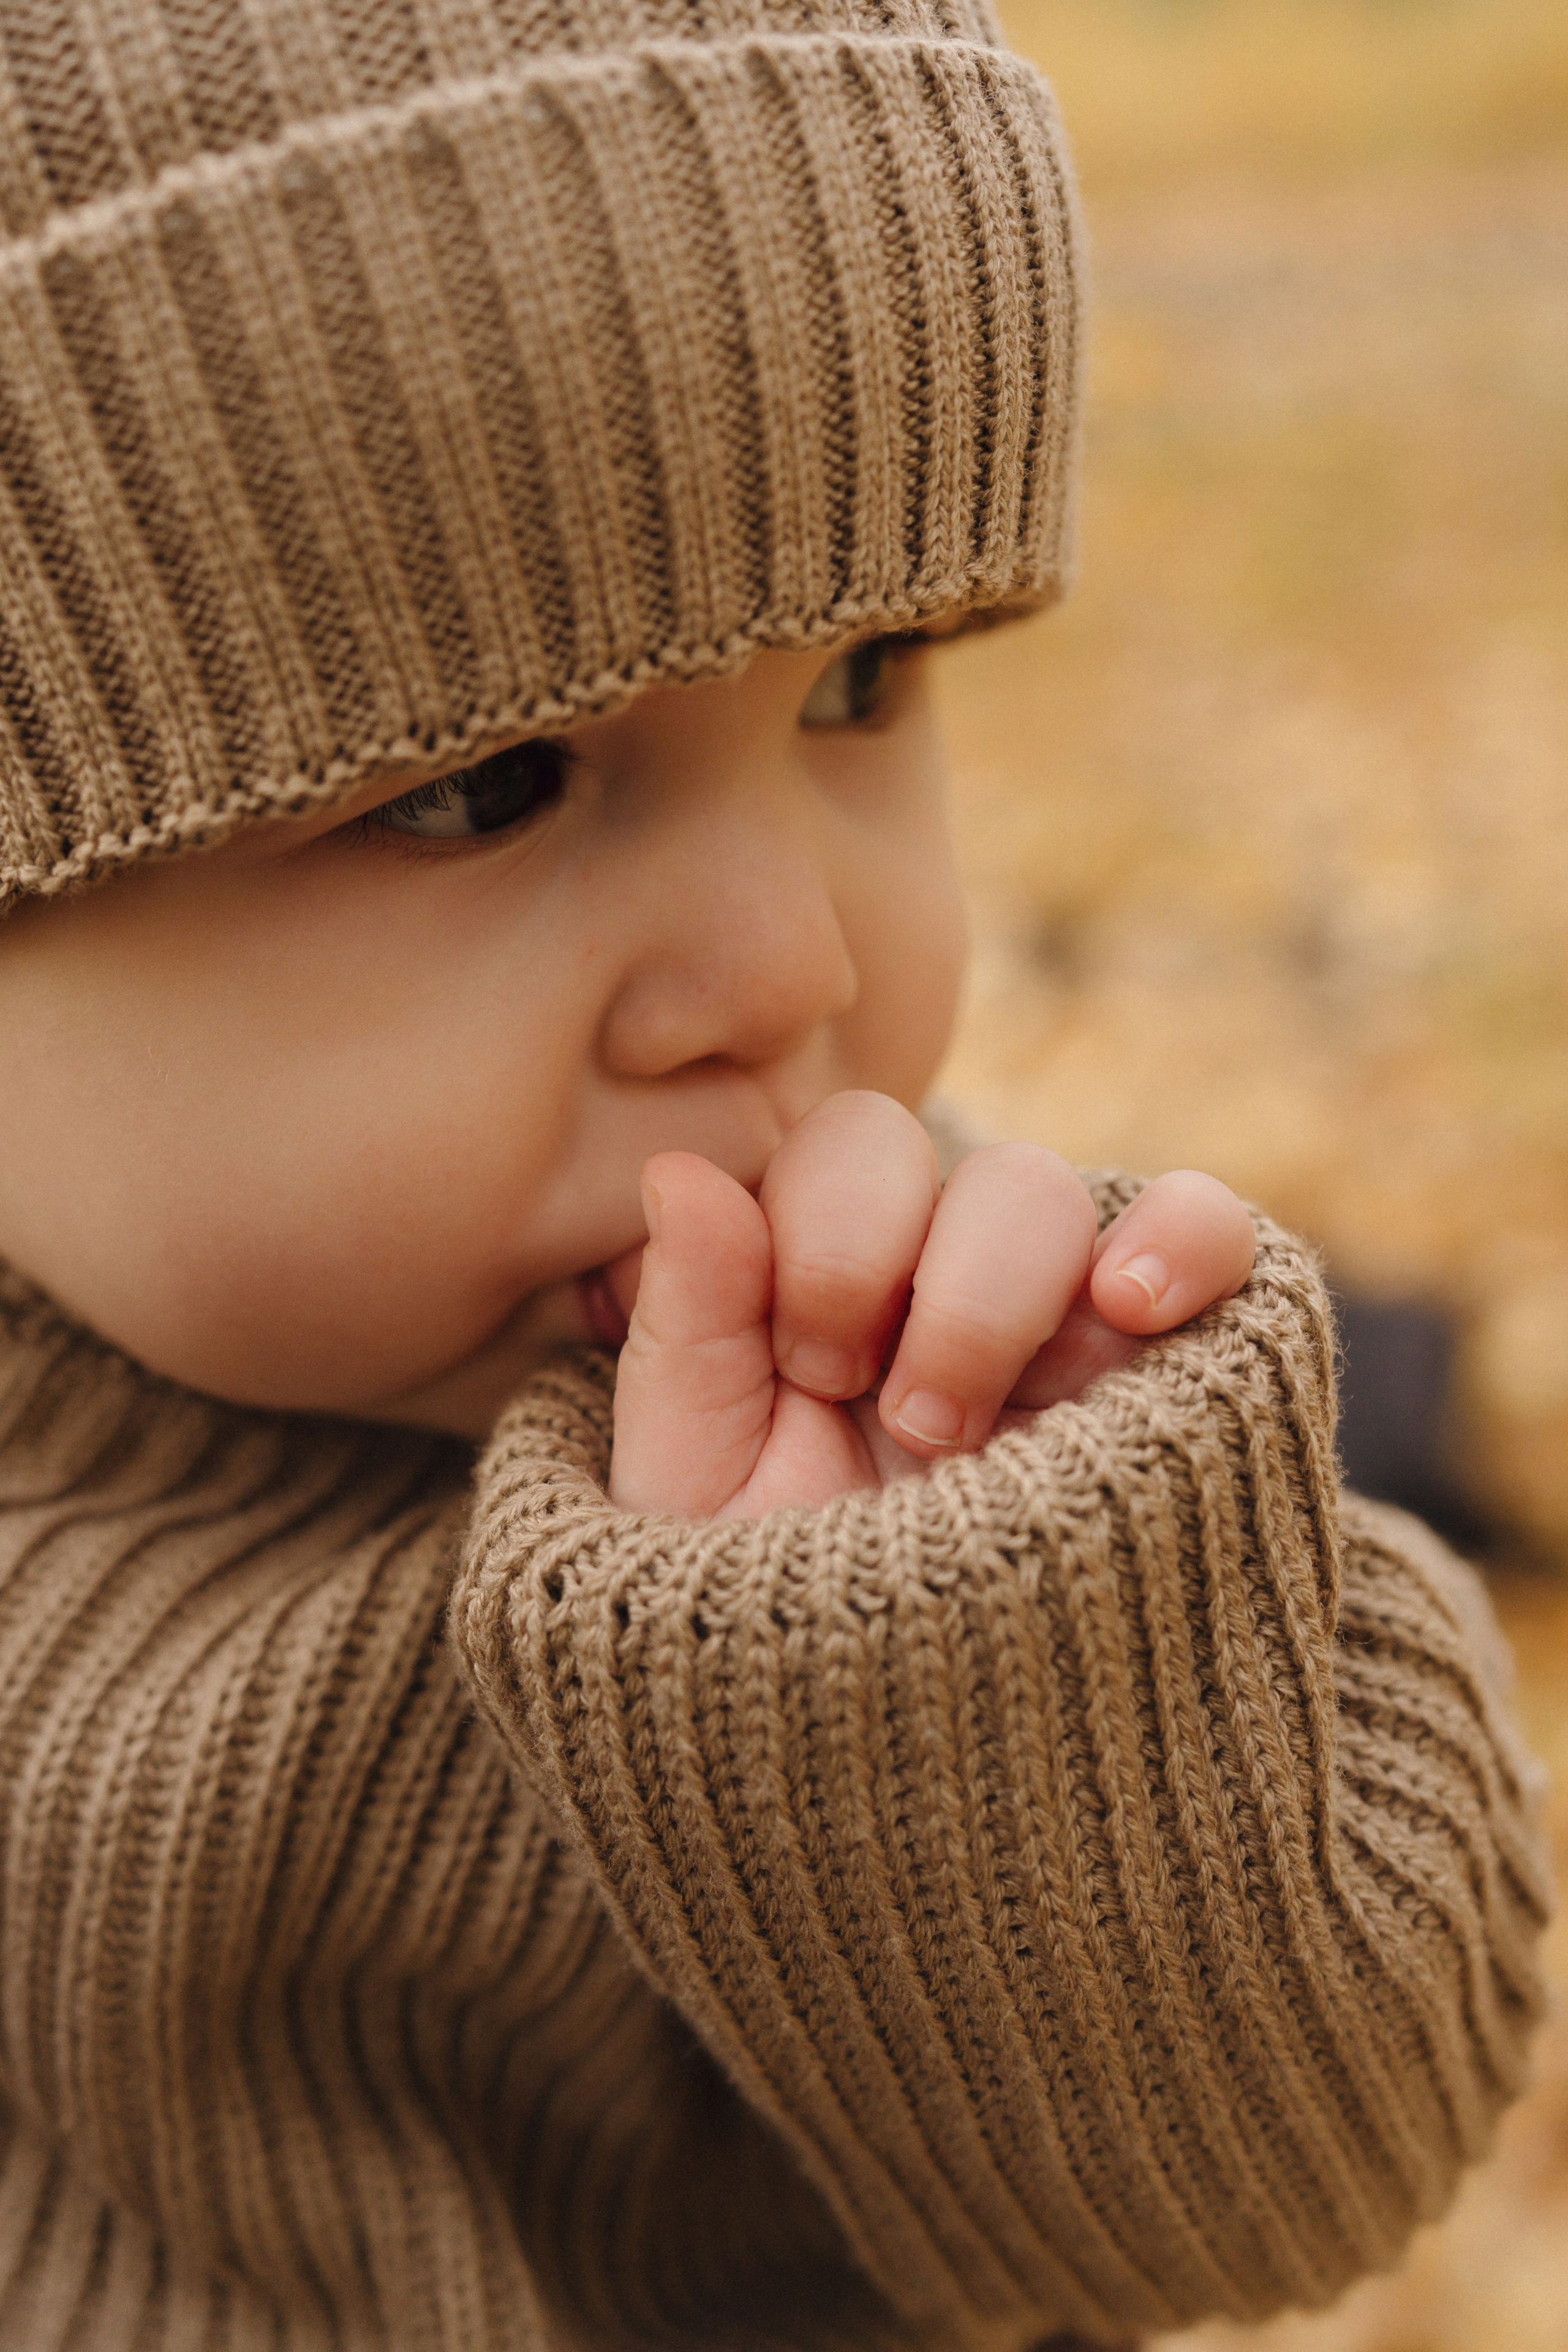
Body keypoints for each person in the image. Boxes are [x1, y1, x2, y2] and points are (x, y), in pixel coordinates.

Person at [0, 2, 1548, 2347]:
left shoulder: (893, 1414)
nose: (792, 965)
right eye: (478, 787)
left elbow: (1287, 2183)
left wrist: (997, 1646)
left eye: (862, 683)